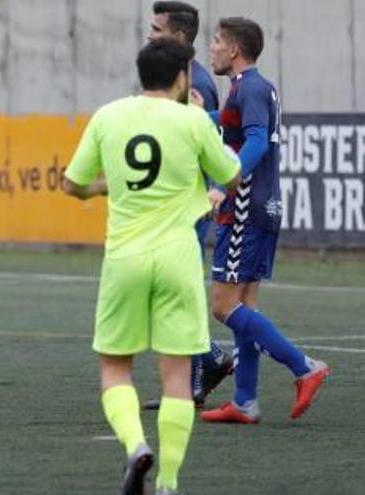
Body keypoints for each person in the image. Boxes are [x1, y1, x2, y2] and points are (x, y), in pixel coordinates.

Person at [63, 39, 241, 495]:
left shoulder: (109, 115)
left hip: (125, 258)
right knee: (177, 375)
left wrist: (103, 189)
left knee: (115, 367)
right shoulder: (193, 119)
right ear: (182, 77)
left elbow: (72, 183)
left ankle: (136, 445)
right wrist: (205, 124)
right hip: (178, 259)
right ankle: (168, 481)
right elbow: (232, 174)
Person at [199, 17, 330, 424]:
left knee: (222, 306)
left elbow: (255, 140)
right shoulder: (252, 88)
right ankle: (245, 401)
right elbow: (236, 125)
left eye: (217, 42)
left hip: (245, 208)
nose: (213, 48)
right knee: (245, 306)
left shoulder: (251, 87)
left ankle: (304, 366)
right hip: (261, 207)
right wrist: (202, 118)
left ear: (235, 50)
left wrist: (225, 181)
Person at [144, 0, 234, 410]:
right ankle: (204, 364)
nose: (150, 36)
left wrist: (210, 192)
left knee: (178, 292)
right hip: (173, 204)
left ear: (180, 37)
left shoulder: (194, 84)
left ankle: (203, 368)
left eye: (157, 29)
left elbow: (205, 142)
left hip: (186, 205)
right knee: (169, 291)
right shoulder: (176, 79)